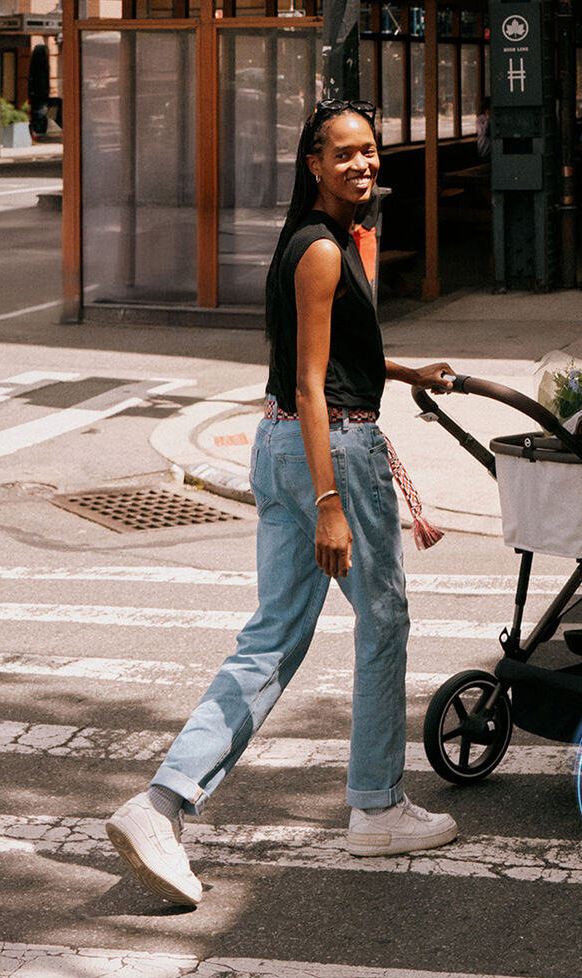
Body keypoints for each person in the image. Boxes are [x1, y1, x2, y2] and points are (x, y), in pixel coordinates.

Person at [103, 98, 458, 907]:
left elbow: (331, 355)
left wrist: (404, 372)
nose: (362, 166)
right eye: (344, 155)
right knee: (386, 619)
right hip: (327, 451)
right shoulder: (323, 250)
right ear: (313, 165)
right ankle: (376, 807)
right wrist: (331, 499)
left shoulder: (314, 240)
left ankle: (160, 805)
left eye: (370, 152)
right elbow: (308, 382)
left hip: (281, 445)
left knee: (270, 640)